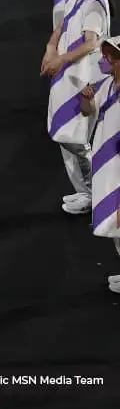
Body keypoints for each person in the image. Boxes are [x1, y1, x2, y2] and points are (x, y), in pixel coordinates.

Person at [42, 0, 112, 215]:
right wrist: (50, 48)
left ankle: (97, 194)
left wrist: (59, 59)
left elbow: (91, 43)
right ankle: (83, 192)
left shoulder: (95, 3)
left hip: (81, 79)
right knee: (62, 135)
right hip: (64, 75)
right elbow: (61, 25)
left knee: (74, 138)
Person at [80, 34, 120, 292]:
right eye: (107, 55)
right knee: (117, 231)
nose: (106, 60)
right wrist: (86, 97)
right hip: (109, 170)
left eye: (113, 57)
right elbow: (87, 111)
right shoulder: (107, 85)